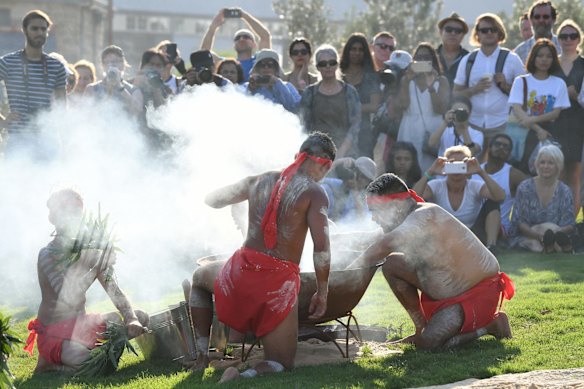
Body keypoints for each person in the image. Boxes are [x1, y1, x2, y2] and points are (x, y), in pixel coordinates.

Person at [188, 132, 335, 382]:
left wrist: (246, 193)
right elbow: (321, 248)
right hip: (276, 287)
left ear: (297, 157)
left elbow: (212, 200)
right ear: (326, 165)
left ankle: (202, 355)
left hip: (238, 274)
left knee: (199, 278)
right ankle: (244, 376)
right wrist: (322, 292)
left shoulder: (259, 180)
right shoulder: (315, 192)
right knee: (282, 363)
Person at [347, 173, 514, 350]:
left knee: (429, 344)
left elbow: (384, 245)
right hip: (445, 294)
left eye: (376, 211)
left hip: (476, 295)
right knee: (392, 264)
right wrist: (329, 237)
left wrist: (346, 274)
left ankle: (491, 326)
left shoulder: (425, 215)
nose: (373, 218)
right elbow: (372, 240)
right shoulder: (407, 220)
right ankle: (421, 328)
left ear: (395, 206)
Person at [24, 189, 148, 373]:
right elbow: (67, 297)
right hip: (56, 334)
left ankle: (90, 355)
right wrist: (97, 265)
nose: (74, 219)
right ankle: (52, 364)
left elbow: (113, 288)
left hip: (81, 325)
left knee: (140, 317)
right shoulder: (48, 255)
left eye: (77, 214)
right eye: (68, 213)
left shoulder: (88, 250)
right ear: (56, 218)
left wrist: (131, 319)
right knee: (97, 367)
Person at [453, 13, 525, 152]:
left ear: (500, 33)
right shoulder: (468, 60)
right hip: (472, 125)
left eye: (494, 29)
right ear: (477, 34)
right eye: (484, 30)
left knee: (498, 169)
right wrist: (475, 89)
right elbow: (455, 94)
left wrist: (505, 86)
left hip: (503, 124)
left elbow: (525, 93)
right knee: (471, 168)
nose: (489, 33)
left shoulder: (512, 59)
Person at [0, 9, 66, 158]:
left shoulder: (57, 66)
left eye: (44, 29)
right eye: (34, 28)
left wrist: (62, 137)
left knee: (50, 181)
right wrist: (2, 121)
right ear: (24, 30)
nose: (40, 32)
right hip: (18, 140)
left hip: (48, 139)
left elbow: (62, 107)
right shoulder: (7, 62)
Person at [413, 145, 505, 251]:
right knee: (422, 206)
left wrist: (481, 172)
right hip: (443, 235)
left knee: (492, 204)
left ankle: (491, 248)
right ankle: (423, 247)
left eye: (461, 164)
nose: (456, 169)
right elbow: (414, 197)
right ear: (445, 165)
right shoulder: (437, 185)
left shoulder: (474, 186)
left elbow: (500, 197)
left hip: (473, 236)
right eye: (452, 163)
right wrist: (430, 171)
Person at [508, 38, 570, 175]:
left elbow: (556, 113)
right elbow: (517, 109)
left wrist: (531, 120)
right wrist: (537, 129)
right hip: (527, 133)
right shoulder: (521, 81)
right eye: (540, 56)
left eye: (549, 56)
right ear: (533, 57)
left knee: (550, 172)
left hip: (551, 133)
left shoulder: (559, 83)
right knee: (524, 171)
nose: (544, 60)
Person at [509, 144, 576, 253]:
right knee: (534, 242)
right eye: (542, 162)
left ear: (558, 166)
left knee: (551, 228)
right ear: (537, 164)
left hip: (555, 232)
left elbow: (569, 224)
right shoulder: (525, 187)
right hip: (530, 234)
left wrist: (554, 233)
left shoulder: (565, 191)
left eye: (551, 163)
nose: (545, 166)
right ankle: (558, 247)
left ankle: (550, 245)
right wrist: (539, 236)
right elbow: (520, 222)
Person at [300, 45, 361, 158]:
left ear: (337, 65)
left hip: (346, 153)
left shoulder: (350, 92)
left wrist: (341, 152)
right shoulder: (310, 93)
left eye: (332, 62)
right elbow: (304, 125)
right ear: (317, 67)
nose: (328, 66)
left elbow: (355, 125)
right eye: (323, 64)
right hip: (316, 153)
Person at [397, 42, 449, 172]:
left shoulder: (441, 81)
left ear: (433, 60)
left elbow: (440, 109)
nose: (422, 60)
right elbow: (403, 105)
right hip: (409, 128)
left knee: (431, 170)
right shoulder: (406, 80)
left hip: (433, 130)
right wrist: (406, 81)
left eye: (426, 57)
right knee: (408, 170)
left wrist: (431, 87)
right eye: (418, 58)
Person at [475, 134, 529, 243]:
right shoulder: (474, 171)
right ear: (489, 148)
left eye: (506, 147)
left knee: (492, 203)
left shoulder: (513, 175)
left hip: (500, 229)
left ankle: (492, 246)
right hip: (475, 225)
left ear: (509, 154)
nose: (501, 148)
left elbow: (533, 189)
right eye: (497, 144)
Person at [554, 20, 584, 211]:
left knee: (573, 173)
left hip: (577, 122)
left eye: (572, 36)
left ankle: (571, 221)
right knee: (554, 171)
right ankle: (554, 214)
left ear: (579, 39)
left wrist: (575, 95)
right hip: (553, 121)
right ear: (558, 40)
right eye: (563, 36)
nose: (568, 40)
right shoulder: (550, 62)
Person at [200, 7, 271, 81]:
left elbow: (265, 37)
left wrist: (244, 16)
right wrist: (213, 26)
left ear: (254, 44)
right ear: (234, 46)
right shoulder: (225, 64)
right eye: (238, 38)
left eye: (246, 37)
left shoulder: (260, 62)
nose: (241, 39)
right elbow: (203, 54)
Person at [340, 33, 382, 158]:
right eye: (353, 49)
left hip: (363, 131)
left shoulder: (371, 76)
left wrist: (350, 108)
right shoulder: (338, 73)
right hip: (340, 128)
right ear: (348, 51)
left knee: (363, 169)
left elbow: (374, 106)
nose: (357, 53)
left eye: (360, 50)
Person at [84, 45, 133, 109]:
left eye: (116, 62)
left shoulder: (132, 90)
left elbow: (136, 110)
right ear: (103, 66)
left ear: (123, 65)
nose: (112, 65)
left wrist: (119, 86)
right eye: (108, 62)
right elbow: (85, 112)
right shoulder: (91, 89)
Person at [437, 13, 470, 93]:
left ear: (463, 36)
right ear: (441, 32)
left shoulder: (470, 59)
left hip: (461, 105)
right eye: (449, 29)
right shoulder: (430, 56)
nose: (453, 33)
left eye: (458, 31)